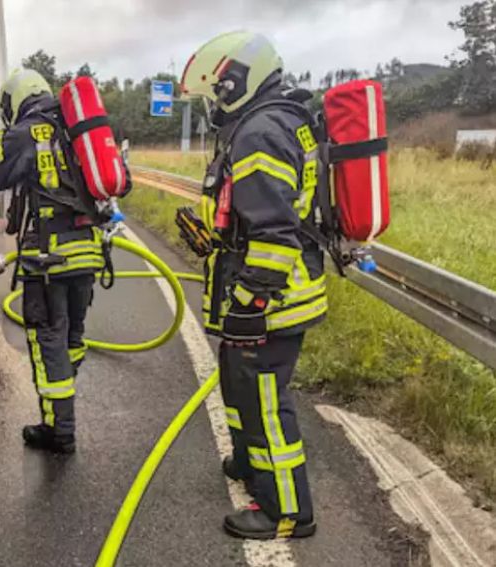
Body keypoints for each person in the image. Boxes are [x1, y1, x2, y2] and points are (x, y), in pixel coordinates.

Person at [180, 31, 327, 539]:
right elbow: (254, 216)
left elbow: (274, 232)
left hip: (273, 300)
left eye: (216, 90)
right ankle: (248, 463)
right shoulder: (271, 121)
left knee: (265, 400)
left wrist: (251, 299)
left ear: (237, 82)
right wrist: (212, 235)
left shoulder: (261, 132)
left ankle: (287, 511)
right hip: (265, 292)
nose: (213, 104)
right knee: (240, 385)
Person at [0, 69, 123, 454]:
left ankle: (60, 430)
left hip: (48, 259)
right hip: (87, 252)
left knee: (48, 339)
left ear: (13, 102)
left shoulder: (26, 133)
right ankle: (62, 412)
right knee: (71, 337)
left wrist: (1, 139)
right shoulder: (76, 129)